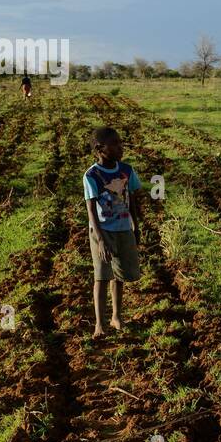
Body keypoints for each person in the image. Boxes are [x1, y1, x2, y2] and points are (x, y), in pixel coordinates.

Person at [84, 127, 142, 338]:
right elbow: (91, 209)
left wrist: (136, 226)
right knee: (101, 276)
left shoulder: (127, 170)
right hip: (102, 231)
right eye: (115, 144)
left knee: (119, 276)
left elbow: (132, 200)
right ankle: (99, 324)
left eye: (120, 142)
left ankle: (116, 316)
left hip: (124, 228)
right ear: (100, 149)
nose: (121, 147)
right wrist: (100, 240)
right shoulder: (92, 175)